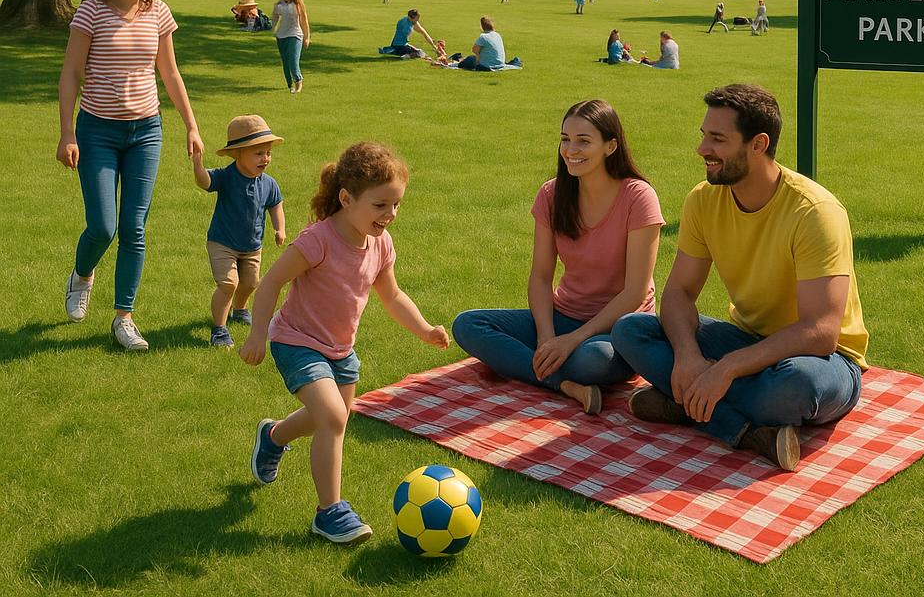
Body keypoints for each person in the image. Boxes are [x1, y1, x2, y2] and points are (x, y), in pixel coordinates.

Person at [611, 84, 869, 472]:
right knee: (631, 330)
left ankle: (685, 404)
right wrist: (687, 356)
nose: (702, 149)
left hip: (824, 360)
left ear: (758, 144)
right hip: (748, 339)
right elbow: (679, 292)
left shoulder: (815, 213)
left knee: (796, 388)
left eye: (717, 139)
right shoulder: (702, 200)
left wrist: (725, 369)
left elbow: (820, 331)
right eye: (704, 136)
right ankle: (747, 431)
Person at [240, 142, 449, 544]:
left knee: (333, 417)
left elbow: (393, 295)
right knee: (333, 418)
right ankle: (329, 513)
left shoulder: (381, 244)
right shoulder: (317, 240)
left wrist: (423, 329)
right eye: (380, 205)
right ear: (346, 198)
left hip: (340, 349)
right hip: (297, 341)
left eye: (396, 205)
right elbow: (271, 283)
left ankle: (273, 437)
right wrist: (255, 335)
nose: (390, 215)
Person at [453, 100, 664, 415]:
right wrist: (546, 335)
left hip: (618, 327)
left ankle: (556, 371)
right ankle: (564, 385)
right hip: (564, 315)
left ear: (611, 146)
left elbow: (634, 292)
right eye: (565, 138)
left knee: (591, 362)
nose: (570, 149)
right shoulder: (551, 195)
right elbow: (540, 276)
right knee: (468, 325)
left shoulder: (638, 197)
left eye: (583, 141)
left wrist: (571, 341)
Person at [57, 0, 205, 352]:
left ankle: (124, 317)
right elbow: (70, 73)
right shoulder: (92, 11)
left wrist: (191, 125)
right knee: (103, 226)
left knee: (133, 228)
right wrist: (67, 132)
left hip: (146, 131)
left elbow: (170, 73)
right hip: (97, 131)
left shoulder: (158, 12)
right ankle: (82, 275)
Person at [192, 115, 286, 348]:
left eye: (268, 153)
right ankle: (219, 329)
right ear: (237, 154)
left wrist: (279, 228)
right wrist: (197, 165)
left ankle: (239, 309)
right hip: (222, 241)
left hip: (252, 245)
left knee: (251, 282)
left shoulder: (268, 183)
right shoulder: (227, 177)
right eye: (258, 153)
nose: (265, 158)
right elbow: (205, 182)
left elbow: (276, 205)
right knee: (228, 284)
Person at [272, 0, 311, 93]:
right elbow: (274, 17)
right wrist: (272, 28)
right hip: (281, 36)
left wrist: (307, 37)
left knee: (293, 61)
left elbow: (304, 21)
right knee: (285, 62)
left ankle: (298, 83)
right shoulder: (279, 6)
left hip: (295, 35)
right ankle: (290, 85)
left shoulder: (298, 5)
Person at [456, 16, 521, 71]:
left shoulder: (483, 37)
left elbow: (474, 50)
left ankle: (459, 59)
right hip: (500, 63)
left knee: (469, 59)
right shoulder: (497, 35)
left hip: (487, 66)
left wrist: (478, 57)